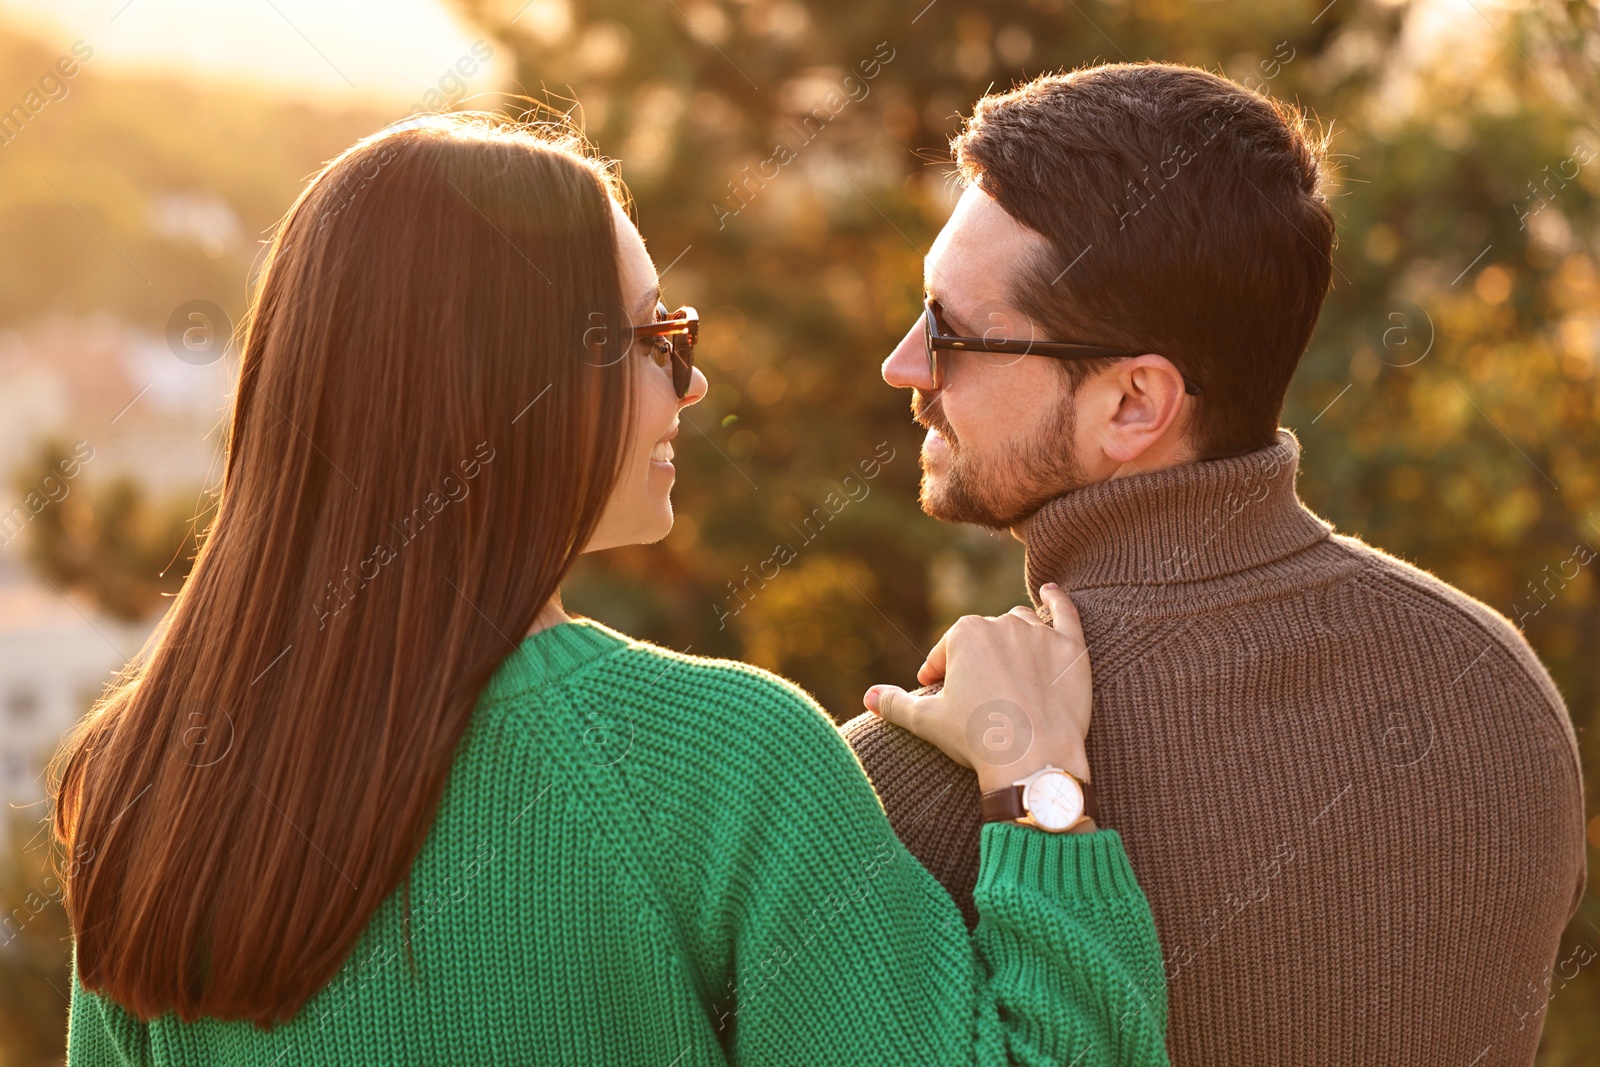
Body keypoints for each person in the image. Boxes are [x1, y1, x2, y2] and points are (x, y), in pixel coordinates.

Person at [52, 113, 1169, 1066]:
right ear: (511, 384)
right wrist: (1038, 779)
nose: (693, 386)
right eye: (655, 339)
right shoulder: (722, 760)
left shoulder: (141, 777)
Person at [848, 63, 1586, 1066]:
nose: (904, 364)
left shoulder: (916, 774)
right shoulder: (1499, 689)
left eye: (951, 331)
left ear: (1133, 404)